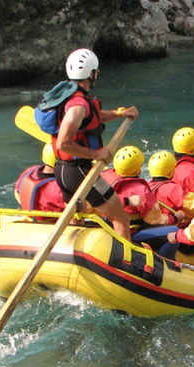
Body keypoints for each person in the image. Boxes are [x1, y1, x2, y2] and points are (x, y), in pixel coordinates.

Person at [53, 48, 139, 240]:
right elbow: (63, 143)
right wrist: (96, 155)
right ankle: (125, 265)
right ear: (91, 73)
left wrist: (119, 114)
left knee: (78, 216)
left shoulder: (70, 97)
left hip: (63, 171)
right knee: (122, 219)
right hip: (79, 172)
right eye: (96, 72)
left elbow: (94, 117)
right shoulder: (78, 105)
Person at [101, 146, 181, 228]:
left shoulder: (104, 177)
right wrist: (174, 218)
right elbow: (153, 219)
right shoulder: (141, 190)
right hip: (130, 230)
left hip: (107, 224)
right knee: (173, 229)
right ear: (138, 170)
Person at [14, 142, 66, 216]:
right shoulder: (58, 189)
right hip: (52, 224)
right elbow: (84, 207)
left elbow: (17, 191)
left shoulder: (30, 171)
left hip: (29, 219)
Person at [147, 150, 194, 227]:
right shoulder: (172, 189)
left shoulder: (146, 187)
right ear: (170, 171)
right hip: (174, 227)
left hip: (155, 226)